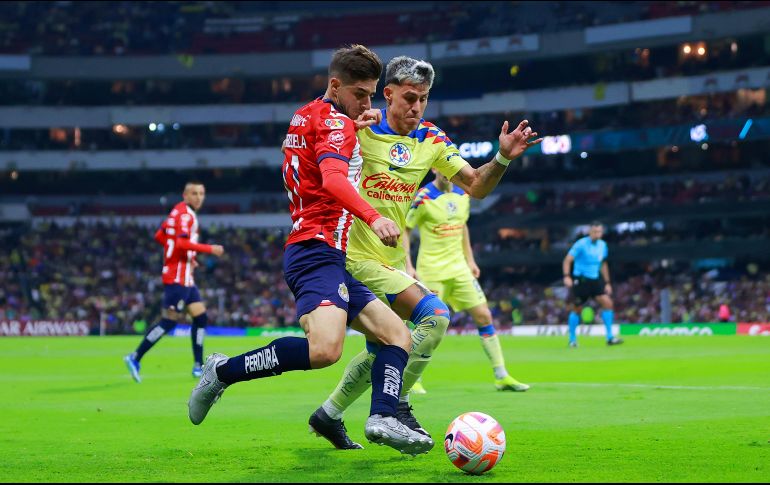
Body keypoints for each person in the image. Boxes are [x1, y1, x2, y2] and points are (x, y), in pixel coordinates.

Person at [186, 45, 433, 456]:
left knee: (396, 335)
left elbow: (322, 148)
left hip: (326, 253)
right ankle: (222, 371)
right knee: (324, 350)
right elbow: (335, 179)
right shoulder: (336, 125)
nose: (367, 103)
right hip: (315, 248)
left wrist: (356, 121)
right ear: (335, 85)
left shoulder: (308, 113)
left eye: (372, 95)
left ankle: (383, 416)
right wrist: (375, 217)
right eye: (361, 94)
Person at [309, 55, 541, 449]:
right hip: (349, 255)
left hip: (390, 260)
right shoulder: (358, 129)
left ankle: (328, 415)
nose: (416, 106)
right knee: (435, 316)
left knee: (384, 348)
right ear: (388, 94)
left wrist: (502, 158)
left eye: (424, 99)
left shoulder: (432, 139)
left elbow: (476, 185)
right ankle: (397, 406)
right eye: (410, 97)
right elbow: (319, 165)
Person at [402, 168, 530, 392]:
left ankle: (501, 375)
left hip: (459, 268)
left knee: (484, 315)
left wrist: (470, 260)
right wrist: (409, 265)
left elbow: (463, 227)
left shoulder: (463, 194)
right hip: (431, 270)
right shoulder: (424, 197)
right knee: (426, 324)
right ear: (434, 168)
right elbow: (406, 230)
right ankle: (411, 378)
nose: (446, 173)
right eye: (441, 168)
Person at [124, 181, 225, 382]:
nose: (198, 197)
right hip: (177, 278)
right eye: (194, 193)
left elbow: (160, 236)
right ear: (185, 195)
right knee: (169, 322)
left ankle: (198, 366)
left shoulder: (176, 212)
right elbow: (180, 242)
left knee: (200, 317)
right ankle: (135, 357)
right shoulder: (186, 215)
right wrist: (209, 249)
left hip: (185, 277)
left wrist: (185, 258)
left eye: (201, 193)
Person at [562, 221, 623, 347]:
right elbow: (567, 260)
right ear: (590, 232)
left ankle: (610, 337)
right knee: (577, 309)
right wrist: (567, 276)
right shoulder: (581, 244)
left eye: (599, 232)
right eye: (595, 231)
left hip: (595, 279)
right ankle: (572, 340)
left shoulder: (602, 245)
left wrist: (607, 282)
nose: (597, 234)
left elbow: (603, 264)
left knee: (608, 303)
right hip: (581, 279)